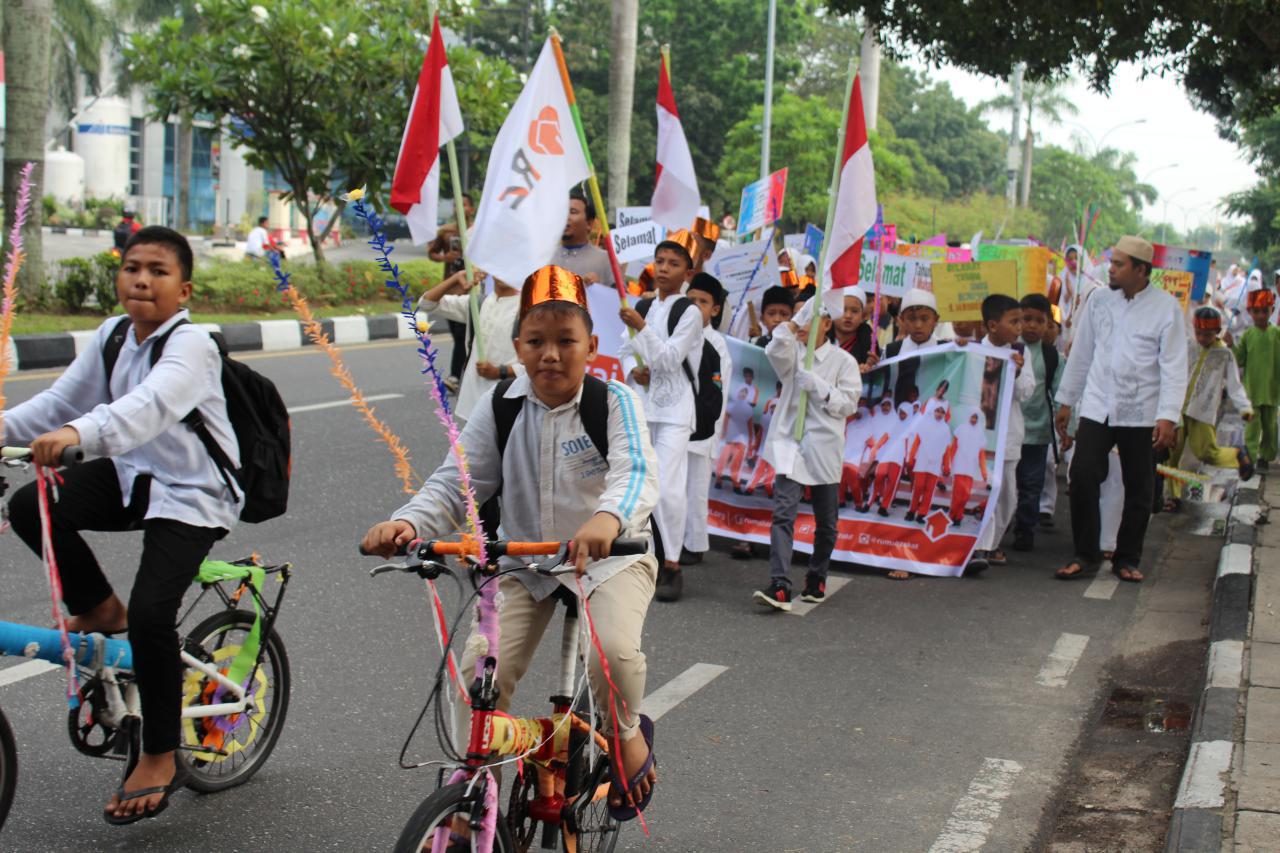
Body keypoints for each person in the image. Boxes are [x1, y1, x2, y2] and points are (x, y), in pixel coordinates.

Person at [361, 265, 660, 819]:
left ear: (591, 346)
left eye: (565, 340)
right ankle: (483, 791)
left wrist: (607, 520)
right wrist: (409, 524)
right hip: (525, 564)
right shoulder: (498, 407)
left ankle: (624, 735)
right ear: (518, 347)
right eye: (537, 341)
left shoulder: (614, 401)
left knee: (614, 657)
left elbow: (636, 471)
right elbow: (456, 484)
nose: (551, 353)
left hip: (612, 560)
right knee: (479, 679)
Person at [3, 226, 239, 823]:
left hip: (193, 491)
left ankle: (159, 752)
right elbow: (58, 404)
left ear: (183, 289)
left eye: (158, 271)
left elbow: (148, 407)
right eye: (133, 267)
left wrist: (79, 435)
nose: (142, 279)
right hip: (135, 476)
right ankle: (102, 608)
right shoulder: (111, 336)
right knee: (31, 504)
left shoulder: (194, 346)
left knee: (154, 614)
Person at [1054, 236, 1187, 584]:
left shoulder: (1166, 308)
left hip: (1142, 410)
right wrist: (1066, 401)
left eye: (1119, 264)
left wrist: (1168, 416)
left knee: (1139, 488)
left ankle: (1126, 558)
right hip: (1098, 405)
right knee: (1082, 477)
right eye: (1111, 263)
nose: (1110, 269)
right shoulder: (1098, 301)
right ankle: (1086, 553)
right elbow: (1081, 353)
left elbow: (1174, 366)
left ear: (1141, 270)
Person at [753, 298, 862, 610]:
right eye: (800, 318)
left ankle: (817, 575)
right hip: (791, 442)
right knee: (783, 514)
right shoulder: (792, 354)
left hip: (824, 447)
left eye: (810, 319)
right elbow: (775, 346)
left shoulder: (843, 362)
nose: (802, 325)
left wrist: (820, 387)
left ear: (827, 324)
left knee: (826, 522)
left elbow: (848, 404)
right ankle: (780, 584)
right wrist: (796, 319)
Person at [619, 240, 703, 602]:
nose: (664, 268)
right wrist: (632, 370)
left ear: (688, 273)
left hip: (675, 410)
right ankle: (642, 556)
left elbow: (669, 360)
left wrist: (642, 328)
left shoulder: (690, 312)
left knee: (668, 486)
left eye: (673, 263)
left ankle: (672, 563)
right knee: (640, 482)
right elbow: (624, 350)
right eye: (660, 261)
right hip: (643, 407)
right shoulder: (642, 305)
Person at [1164, 306, 1254, 508]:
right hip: (1177, 409)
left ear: (1217, 331)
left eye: (1207, 334)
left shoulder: (1224, 354)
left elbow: (1234, 385)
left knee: (1206, 452)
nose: (1202, 338)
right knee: (1173, 454)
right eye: (1199, 333)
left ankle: (1237, 455)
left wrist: (1245, 408)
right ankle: (1173, 497)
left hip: (1202, 413)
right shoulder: (1187, 346)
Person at [972, 294, 1035, 570]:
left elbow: (1027, 393)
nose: (1020, 326)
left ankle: (993, 541)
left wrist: (1018, 373)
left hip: (1008, 435)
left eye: (1021, 320)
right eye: (1014, 321)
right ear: (993, 325)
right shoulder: (973, 350)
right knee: (982, 489)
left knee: (1007, 494)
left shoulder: (1021, 352)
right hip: (979, 436)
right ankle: (978, 548)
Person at [417, 268, 523, 422]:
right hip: (473, 403)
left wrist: (500, 371)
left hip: (509, 403)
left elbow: (536, 362)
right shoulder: (477, 303)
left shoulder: (528, 309)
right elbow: (426, 303)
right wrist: (456, 278)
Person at [682, 273, 732, 565]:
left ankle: (694, 542)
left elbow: (718, 390)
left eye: (703, 302)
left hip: (703, 426)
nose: (696, 306)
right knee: (673, 487)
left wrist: (706, 426)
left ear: (715, 310)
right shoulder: (679, 334)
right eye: (691, 300)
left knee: (696, 487)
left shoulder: (717, 344)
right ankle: (672, 538)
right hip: (677, 424)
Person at [1012, 293, 1060, 552]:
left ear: (1047, 325)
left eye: (1038, 321)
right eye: (1026, 319)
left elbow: (1060, 391)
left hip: (1038, 434)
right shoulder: (1008, 348)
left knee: (1031, 486)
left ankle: (1025, 530)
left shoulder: (1051, 356)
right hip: (1009, 432)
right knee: (1007, 484)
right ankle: (1001, 524)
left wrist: (1066, 424)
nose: (1031, 325)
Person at [1234, 288, 1280, 470]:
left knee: (1270, 426)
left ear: (1272, 310)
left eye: (1264, 311)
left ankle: (1266, 456)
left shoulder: (1276, 334)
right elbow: (1240, 359)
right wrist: (1230, 345)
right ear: (1249, 312)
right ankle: (1251, 457)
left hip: (1272, 389)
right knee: (1251, 426)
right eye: (1256, 311)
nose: (1260, 315)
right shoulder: (1247, 335)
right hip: (1251, 390)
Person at [555, 187, 615, 287]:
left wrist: (599, 287)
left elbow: (620, 300)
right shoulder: (544, 258)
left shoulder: (606, 259)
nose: (566, 217)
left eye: (573, 212)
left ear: (589, 223)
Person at [905, 399, 953, 522]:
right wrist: (911, 458)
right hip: (922, 460)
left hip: (935, 463)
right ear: (933, 411)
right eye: (937, 410)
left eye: (942, 412)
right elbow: (916, 442)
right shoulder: (924, 424)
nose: (939, 414)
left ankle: (922, 514)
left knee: (929, 490)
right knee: (918, 486)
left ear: (944, 414)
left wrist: (946, 465)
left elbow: (946, 449)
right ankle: (912, 511)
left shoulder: (945, 429)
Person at [944, 407, 988, 526]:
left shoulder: (980, 434)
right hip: (959, 466)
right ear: (968, 417)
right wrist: (948, 464)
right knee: (957, 495)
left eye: (976, 418)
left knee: (966, 495)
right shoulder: (961, 429)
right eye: (972, 417)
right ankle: (953, 516)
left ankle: (958, 514)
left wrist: (984, 472)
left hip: (970, 468)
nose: (973, 419)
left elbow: (981, 455)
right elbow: (953, 448)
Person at [831, 287, 878, 369]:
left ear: (862, 316)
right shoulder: (821, 338)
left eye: (854, 311)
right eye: (843, 309)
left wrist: (871, 368)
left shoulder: (868, 342)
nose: (848, 316)